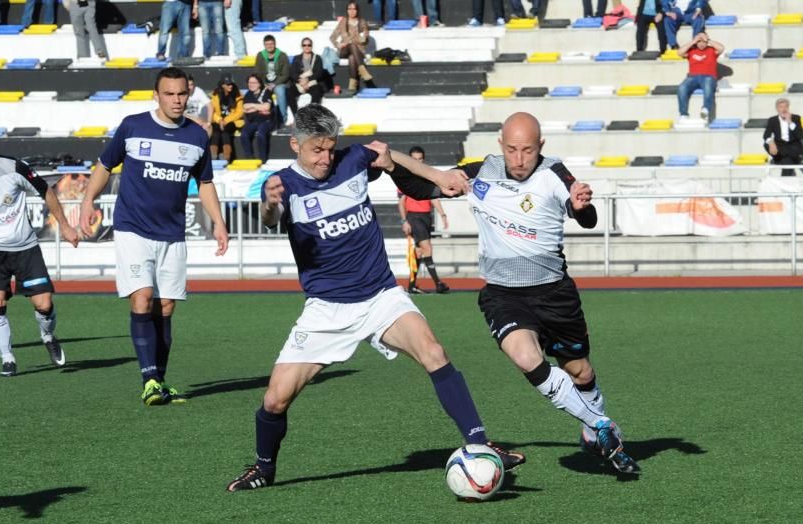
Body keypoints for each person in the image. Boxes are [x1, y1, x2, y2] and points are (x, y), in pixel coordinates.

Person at [225, 104, 524, 492]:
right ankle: (264, 468)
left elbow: (386, 152)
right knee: (275, 400)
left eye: (330, 148)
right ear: (295, 145)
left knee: (433, 352)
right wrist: (268, 203)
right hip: (327, 310)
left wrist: (435, 175)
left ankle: (481, 444)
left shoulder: (351, 161)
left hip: (381, 296)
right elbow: (270, 216)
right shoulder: (283, 183)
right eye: (316, 150)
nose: (324, 158)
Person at [388, 112, 640, 474]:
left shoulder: (554, 173)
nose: (519, 159)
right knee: (525, 357)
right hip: (504, 294)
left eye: (527, 150)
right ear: (500, 146)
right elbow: (420, 188)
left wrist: (583, 207)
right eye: (511, 150)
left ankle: (593, 424)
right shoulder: (479, 172)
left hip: (555, 294)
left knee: (580, 373)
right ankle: (601, 426)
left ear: (541, 146)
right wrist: (391, 162)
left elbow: (585, 216)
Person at [79, 68, 229, 405]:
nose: (176, 100)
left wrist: (218, 221)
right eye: (169, 94)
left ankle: (158, 380)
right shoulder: (133, 126)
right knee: (142, 298)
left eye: (181, 94)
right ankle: (148, 379)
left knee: (166, 307)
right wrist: (88, 200)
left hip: (172, 234)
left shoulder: (197, 136)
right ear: (156, 95)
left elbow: (205, 184)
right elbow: (104, 165)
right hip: (133, 228)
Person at [0, 130, 84, 377]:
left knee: (44, 304)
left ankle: (48, 335)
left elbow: (46, 191)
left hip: (25, 248)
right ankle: (7, 358)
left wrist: (64, 225)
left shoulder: (14, 168)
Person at [397, 146, 449, 295]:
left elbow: (433, 198)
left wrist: (442, 214)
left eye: (420, 159)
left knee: (419, 252)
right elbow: (401, 202)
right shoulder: (404, 176)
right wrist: (404, 221)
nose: (417, 162)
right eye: (414, 159)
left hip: (426, 217)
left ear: (423, 159)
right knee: (427, 248)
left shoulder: (428, 175)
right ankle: (438, 283)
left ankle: (412, 285)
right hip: (414, 217)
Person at [330, 2, 376, 94]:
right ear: (347, 10)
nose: (352, 11)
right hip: (344, 50)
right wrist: (338, 44)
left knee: (352, 57)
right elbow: (332, 37)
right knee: (351, 45)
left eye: (354, 9)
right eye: (349, 9)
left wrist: (355, 39)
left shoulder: (362, 22)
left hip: (359, 52)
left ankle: (352, 86)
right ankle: (363, 72)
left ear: (357, 10)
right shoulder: (343, 22)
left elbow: (365, 40)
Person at [677, 31, 722, 121]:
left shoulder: (711, 50)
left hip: (708, 76)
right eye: (699, 41)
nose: (701, 43)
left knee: (708, 87)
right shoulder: (692, 51)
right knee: (682, 87)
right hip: (692, 77)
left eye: (703, 41)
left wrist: (708, 39)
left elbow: (721, 48)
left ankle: (705, 109)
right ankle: (683, 114)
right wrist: (693, 41)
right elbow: (679, 53)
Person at [254, 34, 290, 126]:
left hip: (278, 83)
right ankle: (260, 119)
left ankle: (283, 118)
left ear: (275, 44)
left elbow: (285, 74)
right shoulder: (260, 56)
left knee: (280, 91)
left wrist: (274, 84)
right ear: (264, 45)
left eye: (271, 44)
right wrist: (264, 84)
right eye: (267, 44)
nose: (269, 46)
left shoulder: (282, 55)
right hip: (265, 82)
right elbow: (258, 72)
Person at [763, 98, 803, 177]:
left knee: (787, 160)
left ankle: (779, 161)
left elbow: (800, 136)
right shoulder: (772, 120)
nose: (784, 109)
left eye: (785, 107)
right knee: (766, 144)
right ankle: (782, 161)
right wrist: (771, 143)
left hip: (792, 148)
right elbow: (766, 135)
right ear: (777, 109)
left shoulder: (796, 118)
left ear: (788, 108)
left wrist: (790, 122)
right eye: (781, 107)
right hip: (780, 147)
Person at [209, 74, 244, 162]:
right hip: (218, 120)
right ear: (222, 85)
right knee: (215, 130)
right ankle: (213, 154)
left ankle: (226, 156)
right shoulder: (215, 95)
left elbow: (240, 112)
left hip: (233, 121)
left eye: (231, 84)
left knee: (225, 131)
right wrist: (220, 120)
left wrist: (226, 120)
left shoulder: (237, 95)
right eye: (228, 84)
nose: (230, 86)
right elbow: (212, 112)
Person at [240, 73, 274, 161]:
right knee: (244, 134)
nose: (251, 85)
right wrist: (259, 107)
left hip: (265, 120)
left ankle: (263, 159)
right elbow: (245, 108)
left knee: (261, 135)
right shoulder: (248, 95)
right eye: (249, 83)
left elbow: (267, 107)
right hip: (252, 120)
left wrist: (253, 107)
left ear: (259, 83)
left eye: (254, 83)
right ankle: (249, 158)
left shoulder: (266, 92)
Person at [288, 37, 326, 114]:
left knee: (317, 92)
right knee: (289, 93)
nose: (307, 47)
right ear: (301, 46)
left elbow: (319, 73)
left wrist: (308, 79)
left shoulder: (317, 58)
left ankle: (311, 116)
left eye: (309, 45)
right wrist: (299, 80)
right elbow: (292, 72)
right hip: (300, 83)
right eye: (304, 45)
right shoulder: (297, 58)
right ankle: (296, 117)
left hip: (312, 83)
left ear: (312, 46)